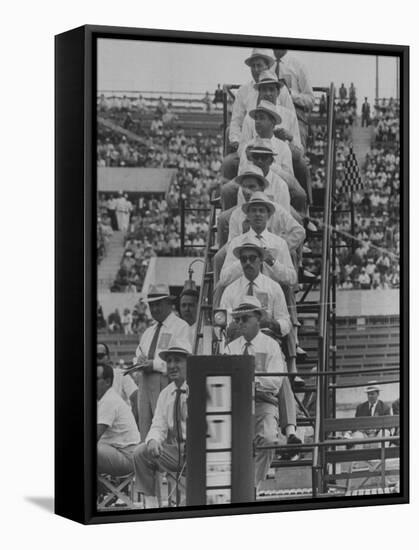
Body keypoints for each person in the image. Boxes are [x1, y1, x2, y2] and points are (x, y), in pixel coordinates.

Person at [224, 297, 301, 487]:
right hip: (237, 404)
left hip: (263, 402)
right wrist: (255, 381)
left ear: (258, 318)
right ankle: (240, 487)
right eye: (237, 319)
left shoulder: (271, 345)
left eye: (245, 318)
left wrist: (247, 380)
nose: (240, 323)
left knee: (267, 439)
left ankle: (252, 486)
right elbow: (224, 378)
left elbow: (275, 382)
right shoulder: (230, 347)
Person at [133, 340, 192, 508]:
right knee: (141, 452)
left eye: (178, 360)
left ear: (189, 362)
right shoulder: (166, 394)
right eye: (169, 361)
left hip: (199, 452)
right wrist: (153, 441)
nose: (172, 365)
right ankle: (151, 506)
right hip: (176, 451)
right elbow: (158, 425)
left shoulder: (201, 388)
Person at [134, 283, 190, 440]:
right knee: (145, 428)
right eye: (152, 305)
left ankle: (167, 460)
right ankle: (147, 457)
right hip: (145, 382)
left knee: (165, 427)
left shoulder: (180, 327)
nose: (155, 309)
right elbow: (138, 352)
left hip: (165, 379)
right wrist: (139, 360)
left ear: (169, 303)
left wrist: (154, 364)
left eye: (158, 304)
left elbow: (183, 360)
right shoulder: (148, 331)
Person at [97, 362, 141, 477]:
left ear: (107, 382)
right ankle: (101, 491)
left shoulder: (109, 400)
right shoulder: (103, 399)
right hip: (117, 452)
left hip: (127, 458)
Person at [272, 50, 315, 149]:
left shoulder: (298, 65)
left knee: (296, 151)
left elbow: (311, 100)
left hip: (295, 115)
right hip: (270, 114)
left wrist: (291, 95)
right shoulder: (266, 65)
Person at [97, 342, 139, 424]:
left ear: (108, 358)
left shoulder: (121, 374)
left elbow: (136, 399)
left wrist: (131, 425)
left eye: (100, 355)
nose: (98, 359)